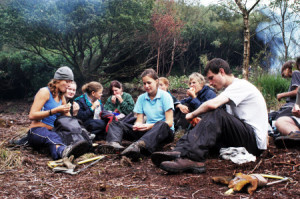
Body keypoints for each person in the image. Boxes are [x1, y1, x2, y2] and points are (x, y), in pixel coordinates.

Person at [151, 58, 268, 173]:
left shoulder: (240, 85)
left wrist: (192, 115)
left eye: (211, 78)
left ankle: (193, 158)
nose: (210, 83)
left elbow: (213, 105)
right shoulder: (229, 90)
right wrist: (203, 123)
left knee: (215, 111)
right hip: (242, 136)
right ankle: (180, 151)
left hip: (253, 142)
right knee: (207, 118)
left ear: (222, 72)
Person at [101, 69, 174, 160]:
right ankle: (113, 145)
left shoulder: (165, 96)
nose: (146, 86)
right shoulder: (141, 98)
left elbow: (169, 122)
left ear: (156, 81)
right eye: (144, 83)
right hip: (146, 131)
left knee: (162, 124)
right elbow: (139, 119)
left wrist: (148, 126)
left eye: (149, 83)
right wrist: (137, 125)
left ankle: (139, 146)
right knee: (116, 123)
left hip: (164, 132)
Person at [27, 66, 90, 160]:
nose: (69, 85)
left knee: (73, 132)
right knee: (51, 136)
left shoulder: (61, 97)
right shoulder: (44, 92)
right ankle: (62, 152)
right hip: (37, 131)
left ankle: (88, 146)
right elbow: (32, 115)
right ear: (58, 80)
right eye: (67, 81)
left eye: (70, 82)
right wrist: (54, 111)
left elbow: (67, 120)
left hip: (54, 131)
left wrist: (73, 114)